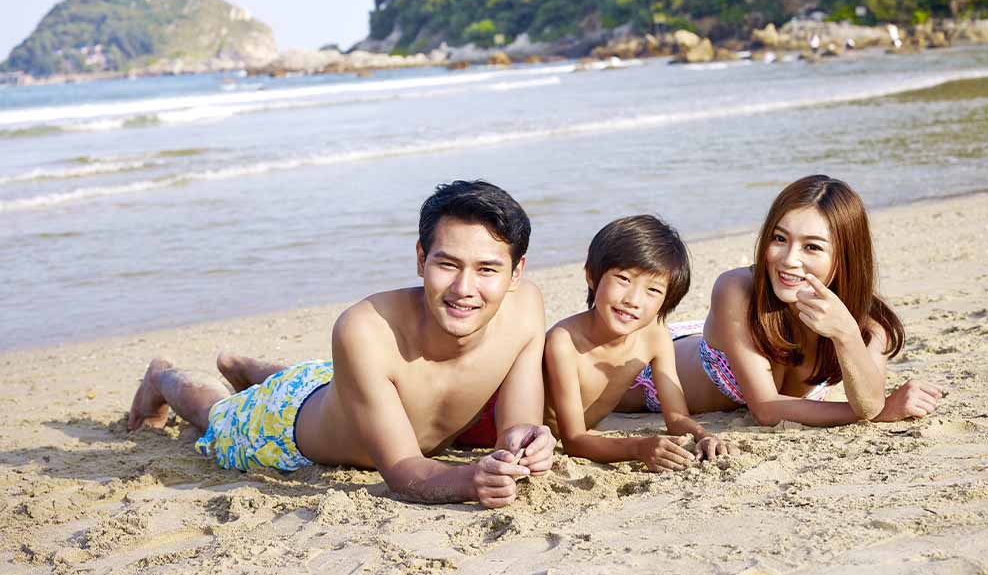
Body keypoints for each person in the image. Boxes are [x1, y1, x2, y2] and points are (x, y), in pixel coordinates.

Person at [127, 180, 554, 508]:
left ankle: (244, 366)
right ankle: (161, 376)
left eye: (487, 269)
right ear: (421, 258)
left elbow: (515, 426)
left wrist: (526, 445)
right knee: (215, 415)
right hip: (286, 426)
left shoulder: (526, 308)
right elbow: (404, 472)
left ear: (516, 273)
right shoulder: (365, 330)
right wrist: (469, 481)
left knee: (320, 380)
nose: (465, 288)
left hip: (342, 387)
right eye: (447, 264)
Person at [620, 175, 943, 426]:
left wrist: (845, 333)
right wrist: (882, 410)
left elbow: (868, 401)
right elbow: (766, 409)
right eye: (779, 239)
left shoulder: (870, 324)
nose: (788, 260)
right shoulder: (736, 290)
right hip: (640, 371)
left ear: (844, 257)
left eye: (812, 247)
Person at [543, 215, 734, 471]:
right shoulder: (564, 342)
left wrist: (703, 435)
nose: (633, 299)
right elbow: (574, 441)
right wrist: (638, 447)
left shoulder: (655, 335)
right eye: (623, 279)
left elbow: (677, 418)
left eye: (653, 290)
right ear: (591, 276)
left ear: (666, 301)